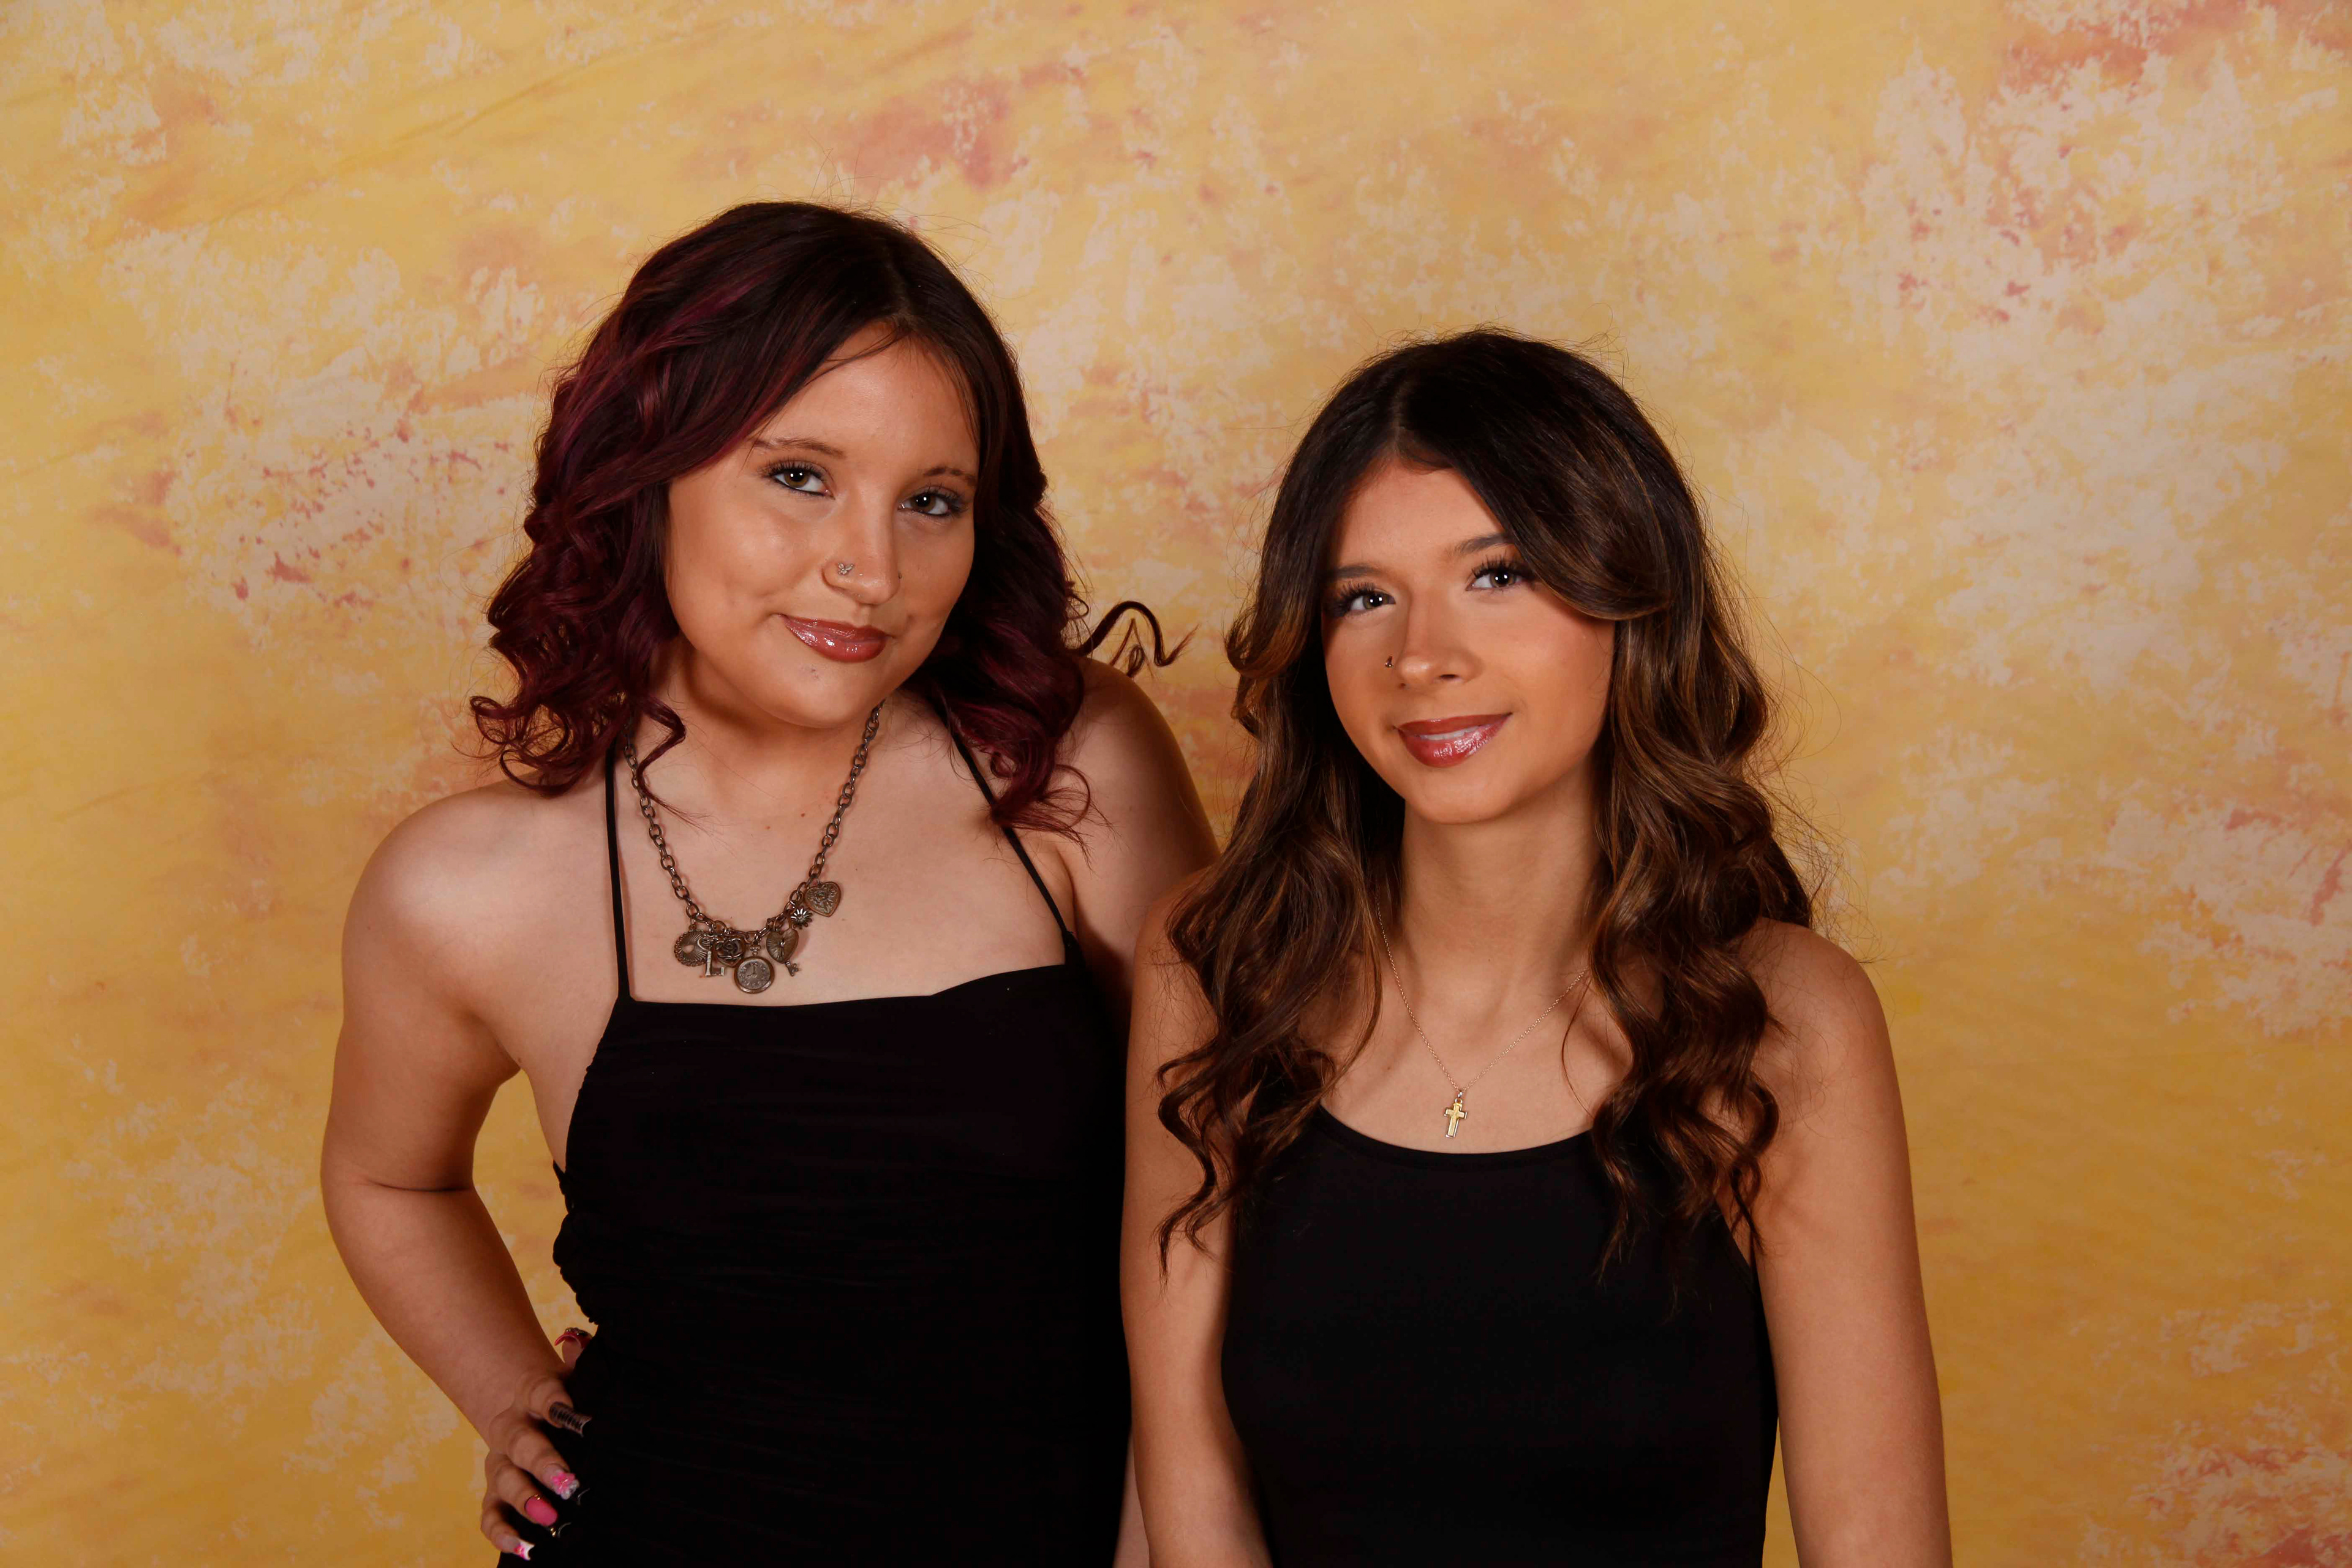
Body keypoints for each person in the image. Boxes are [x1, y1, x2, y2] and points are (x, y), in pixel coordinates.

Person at [320, 202, 1214, 1563]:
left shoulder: (1067, 766)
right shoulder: (466, 890)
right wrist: (511, 1398)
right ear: (645, 472)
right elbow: (390, 1180)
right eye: (800, 475)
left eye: (933, 501)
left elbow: (1219, 1179)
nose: (870, 568)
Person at [1122, 330, 1951, 1566]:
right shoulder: (1216, 967)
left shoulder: (1781, 1020)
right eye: (1364, 596)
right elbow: (1188, 1504)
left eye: (1498, 574)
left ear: (1630, 600)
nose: (1422, 656)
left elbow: (1877, 1540)